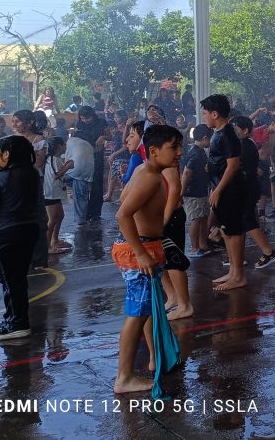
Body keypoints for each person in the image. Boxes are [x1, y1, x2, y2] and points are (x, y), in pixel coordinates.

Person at [110, 124, 182, 393]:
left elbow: (124, 200)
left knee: (148, 308)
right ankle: (124, 377)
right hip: (137, 250)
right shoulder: (149, 176)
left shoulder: (145, 170)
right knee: (136, 314)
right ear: (153, 151)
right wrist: (141, 253)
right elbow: (122, 215)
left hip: (143, 246)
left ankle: (154, 358)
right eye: (173, 147)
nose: (178, 152)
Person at [0, 135, 42, 339]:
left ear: (7, 154)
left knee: (10, 279)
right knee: (17, 277)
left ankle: (18, 323)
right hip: (29, 230)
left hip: (6, 233)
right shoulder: (32, 174)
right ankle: (13, 317)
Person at [202, 95, 247, 291]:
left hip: (230, 191)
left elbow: (233, 165)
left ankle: (239, 275)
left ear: (215, 114)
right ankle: (233, 272)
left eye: (205, 113)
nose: (204, 117)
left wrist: (218, 189)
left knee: (234, 231)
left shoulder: (228, 134)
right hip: (221, 188)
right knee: (226, 231)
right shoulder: (217, 133)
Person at [229, 116, 275, 269]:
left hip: (247, 187)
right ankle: (237, 256)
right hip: (248, 186)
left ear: (245, 130)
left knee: (248, 221)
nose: (233, 131)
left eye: (235, 128)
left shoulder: (245, 145)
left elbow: (239, 167)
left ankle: (268, 251)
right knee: (245, 221)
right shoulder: (245, 143)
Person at [182, 125, 211, 258]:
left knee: (203, 217)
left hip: (201, 190)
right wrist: (182, 191)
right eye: (209, 139)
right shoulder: (195, 153)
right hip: (193, 192)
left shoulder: (197, 151)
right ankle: (195, 247)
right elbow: (187, 173)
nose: (210, 142)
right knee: (196, 219)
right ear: (205, 138)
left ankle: (203, 244)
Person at [42, 136, 70, 254]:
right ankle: (47, 247)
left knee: (60, 216)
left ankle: (55, 240)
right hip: (50, 194)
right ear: (59, 146)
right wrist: (68, 166)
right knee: (53, 219)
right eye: (64, 144)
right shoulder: (54, 159)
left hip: (53, 193)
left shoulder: (53, 159)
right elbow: (56, 175)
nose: (66, 146)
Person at [62, 129, 94, 227]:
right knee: (81, 195)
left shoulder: (70, 141)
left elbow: (65, 157)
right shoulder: (89, 145)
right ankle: (81, 219)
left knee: (56, 180)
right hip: (87, 173)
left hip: (72, 170)